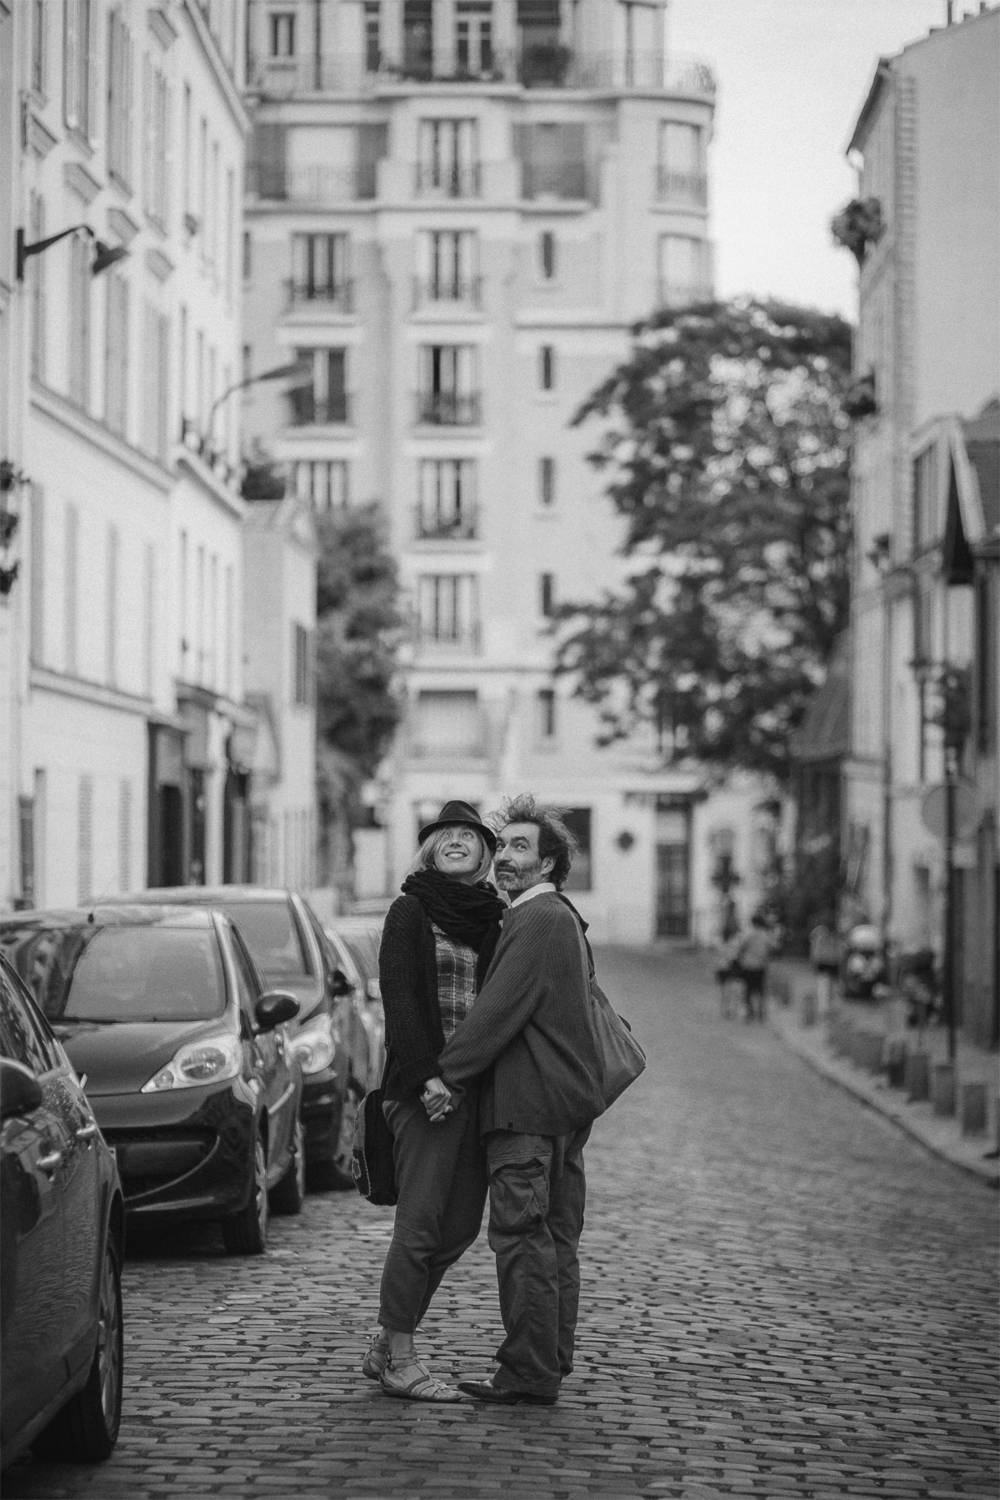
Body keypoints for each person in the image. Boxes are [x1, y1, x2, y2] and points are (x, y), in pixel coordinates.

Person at [434, 794, 606, 1406]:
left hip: (526, 1109)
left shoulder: (537, 918)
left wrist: (444, 1077)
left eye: (519, 846)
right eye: (502, 845)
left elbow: (494, 1013)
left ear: (549, 862)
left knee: (521, 1239)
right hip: (560, 1107)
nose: (503, 856)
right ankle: (547, 1361)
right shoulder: (560, 917)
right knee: (552, 1240)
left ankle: (528, 1372)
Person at [363, 799, 505, 1403]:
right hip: (422, 1094)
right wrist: (428, 1080)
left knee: (459, 1228)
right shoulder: (411, 910)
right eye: (444, 833)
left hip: (473, 1093)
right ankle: (401, 1358)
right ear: (429, 848)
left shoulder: (494, 919)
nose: (455, 840)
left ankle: (385, 1339)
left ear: (484, 854)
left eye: (467, 834)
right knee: (419, 1228)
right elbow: (399, 999)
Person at [735, 911, 772, 1022]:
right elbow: (770, 949)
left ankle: (750, 1011)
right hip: (761, 965)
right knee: (760, 990)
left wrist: (739, 959)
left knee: (748, 990)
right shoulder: (765, 935)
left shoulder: (748, 934)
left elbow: (741, 948)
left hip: (748, 965)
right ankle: (761, 1012)